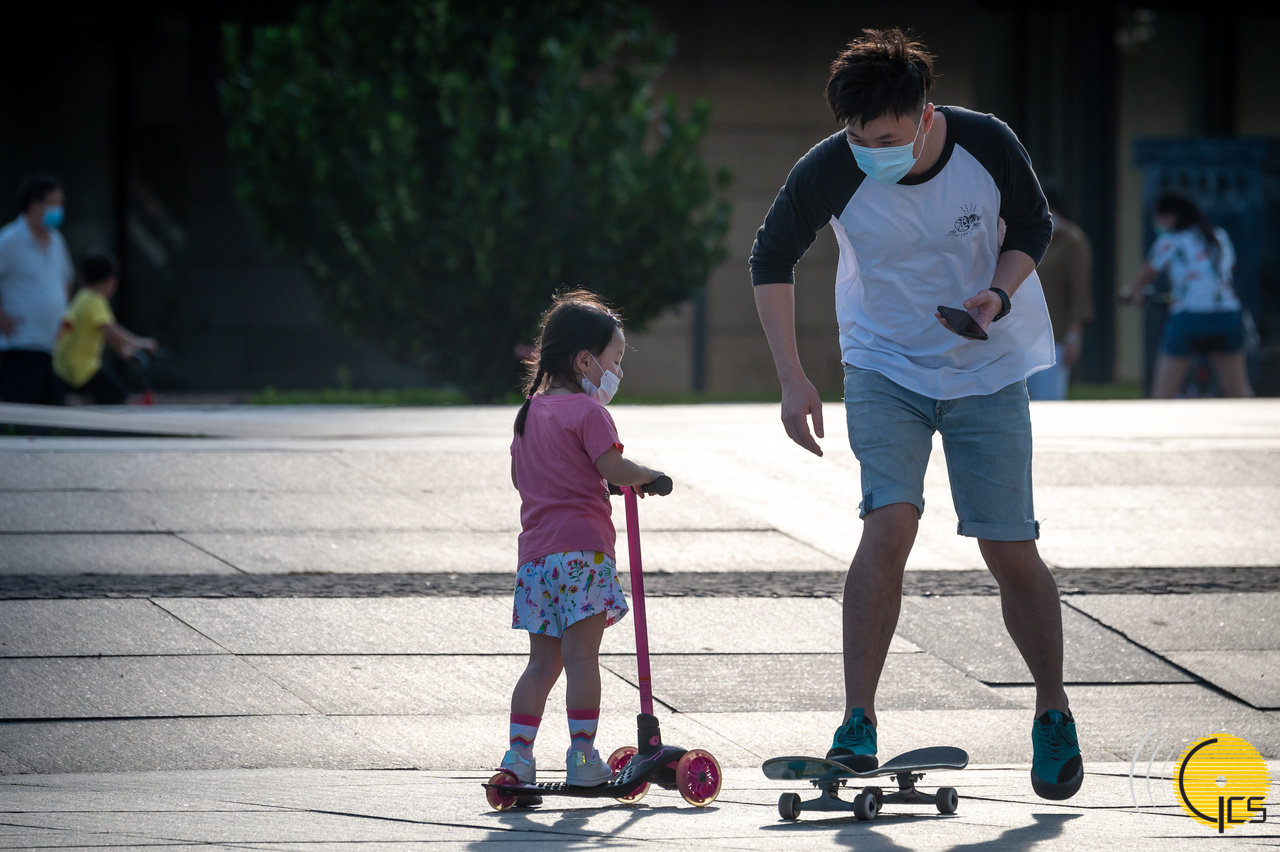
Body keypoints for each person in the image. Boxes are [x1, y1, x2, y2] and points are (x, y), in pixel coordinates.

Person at [749, 28, 1081, 800]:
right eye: (859, 138)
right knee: (888, 523)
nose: (872, 153)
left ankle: (1052, 709)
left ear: (926, 114)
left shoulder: (986, 143)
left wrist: (996, 293)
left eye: (888, 139)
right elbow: (771, 256)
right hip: (883, 364)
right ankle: (857, 720)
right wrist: (793, 378)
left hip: (986, 365)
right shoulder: (832, 167)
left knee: (1009, 547)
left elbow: (1034, 224)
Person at [498, 289, 665, 792]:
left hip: (536, 560)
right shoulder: (589, 413)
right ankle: (583, 755)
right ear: (584, 360)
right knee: (581, 659)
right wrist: (648, 475)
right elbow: (612, 465)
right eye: (614, 360)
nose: (618, 372)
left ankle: (518, 757)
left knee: (541, 664)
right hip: (583, 556)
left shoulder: (529, 413)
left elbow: (522, 478)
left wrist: (582, 478)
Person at [1120, 191, 1254, 398]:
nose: (1156, 223)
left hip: (1189, 316)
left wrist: (1133, 291)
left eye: (1158, 217)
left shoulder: (1170, 241)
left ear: (1170, 217)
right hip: (1227, 314)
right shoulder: (1219, 236)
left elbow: (1148, 272)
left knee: (1162, 395)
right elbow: (1228, 270)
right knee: (1239, 391)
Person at [0, 173, 74, 405]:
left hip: (53, 348)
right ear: (34, 205)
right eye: (53, 203)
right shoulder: (9, 240)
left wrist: (62, 313)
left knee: (55, 416)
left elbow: (66, 280)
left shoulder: (57, 240)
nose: (59, 209)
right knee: (22, 414)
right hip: (21, 347)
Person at [53, 249, 157, 405]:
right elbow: (110, 330)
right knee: (119, 396)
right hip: (82, 369)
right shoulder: (95, 300)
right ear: (111, 281)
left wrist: (124, 350)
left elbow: (102, 334)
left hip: (62, 368)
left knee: (103, 395)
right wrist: (138, 342)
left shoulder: (81, 297)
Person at [1026, 182, 1093, 401]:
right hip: (1022, 336)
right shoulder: (1025, 235)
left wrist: (1073, 337)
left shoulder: (1071, 240)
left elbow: (1079, 293)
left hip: (1055, 338)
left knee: (1049, 403)